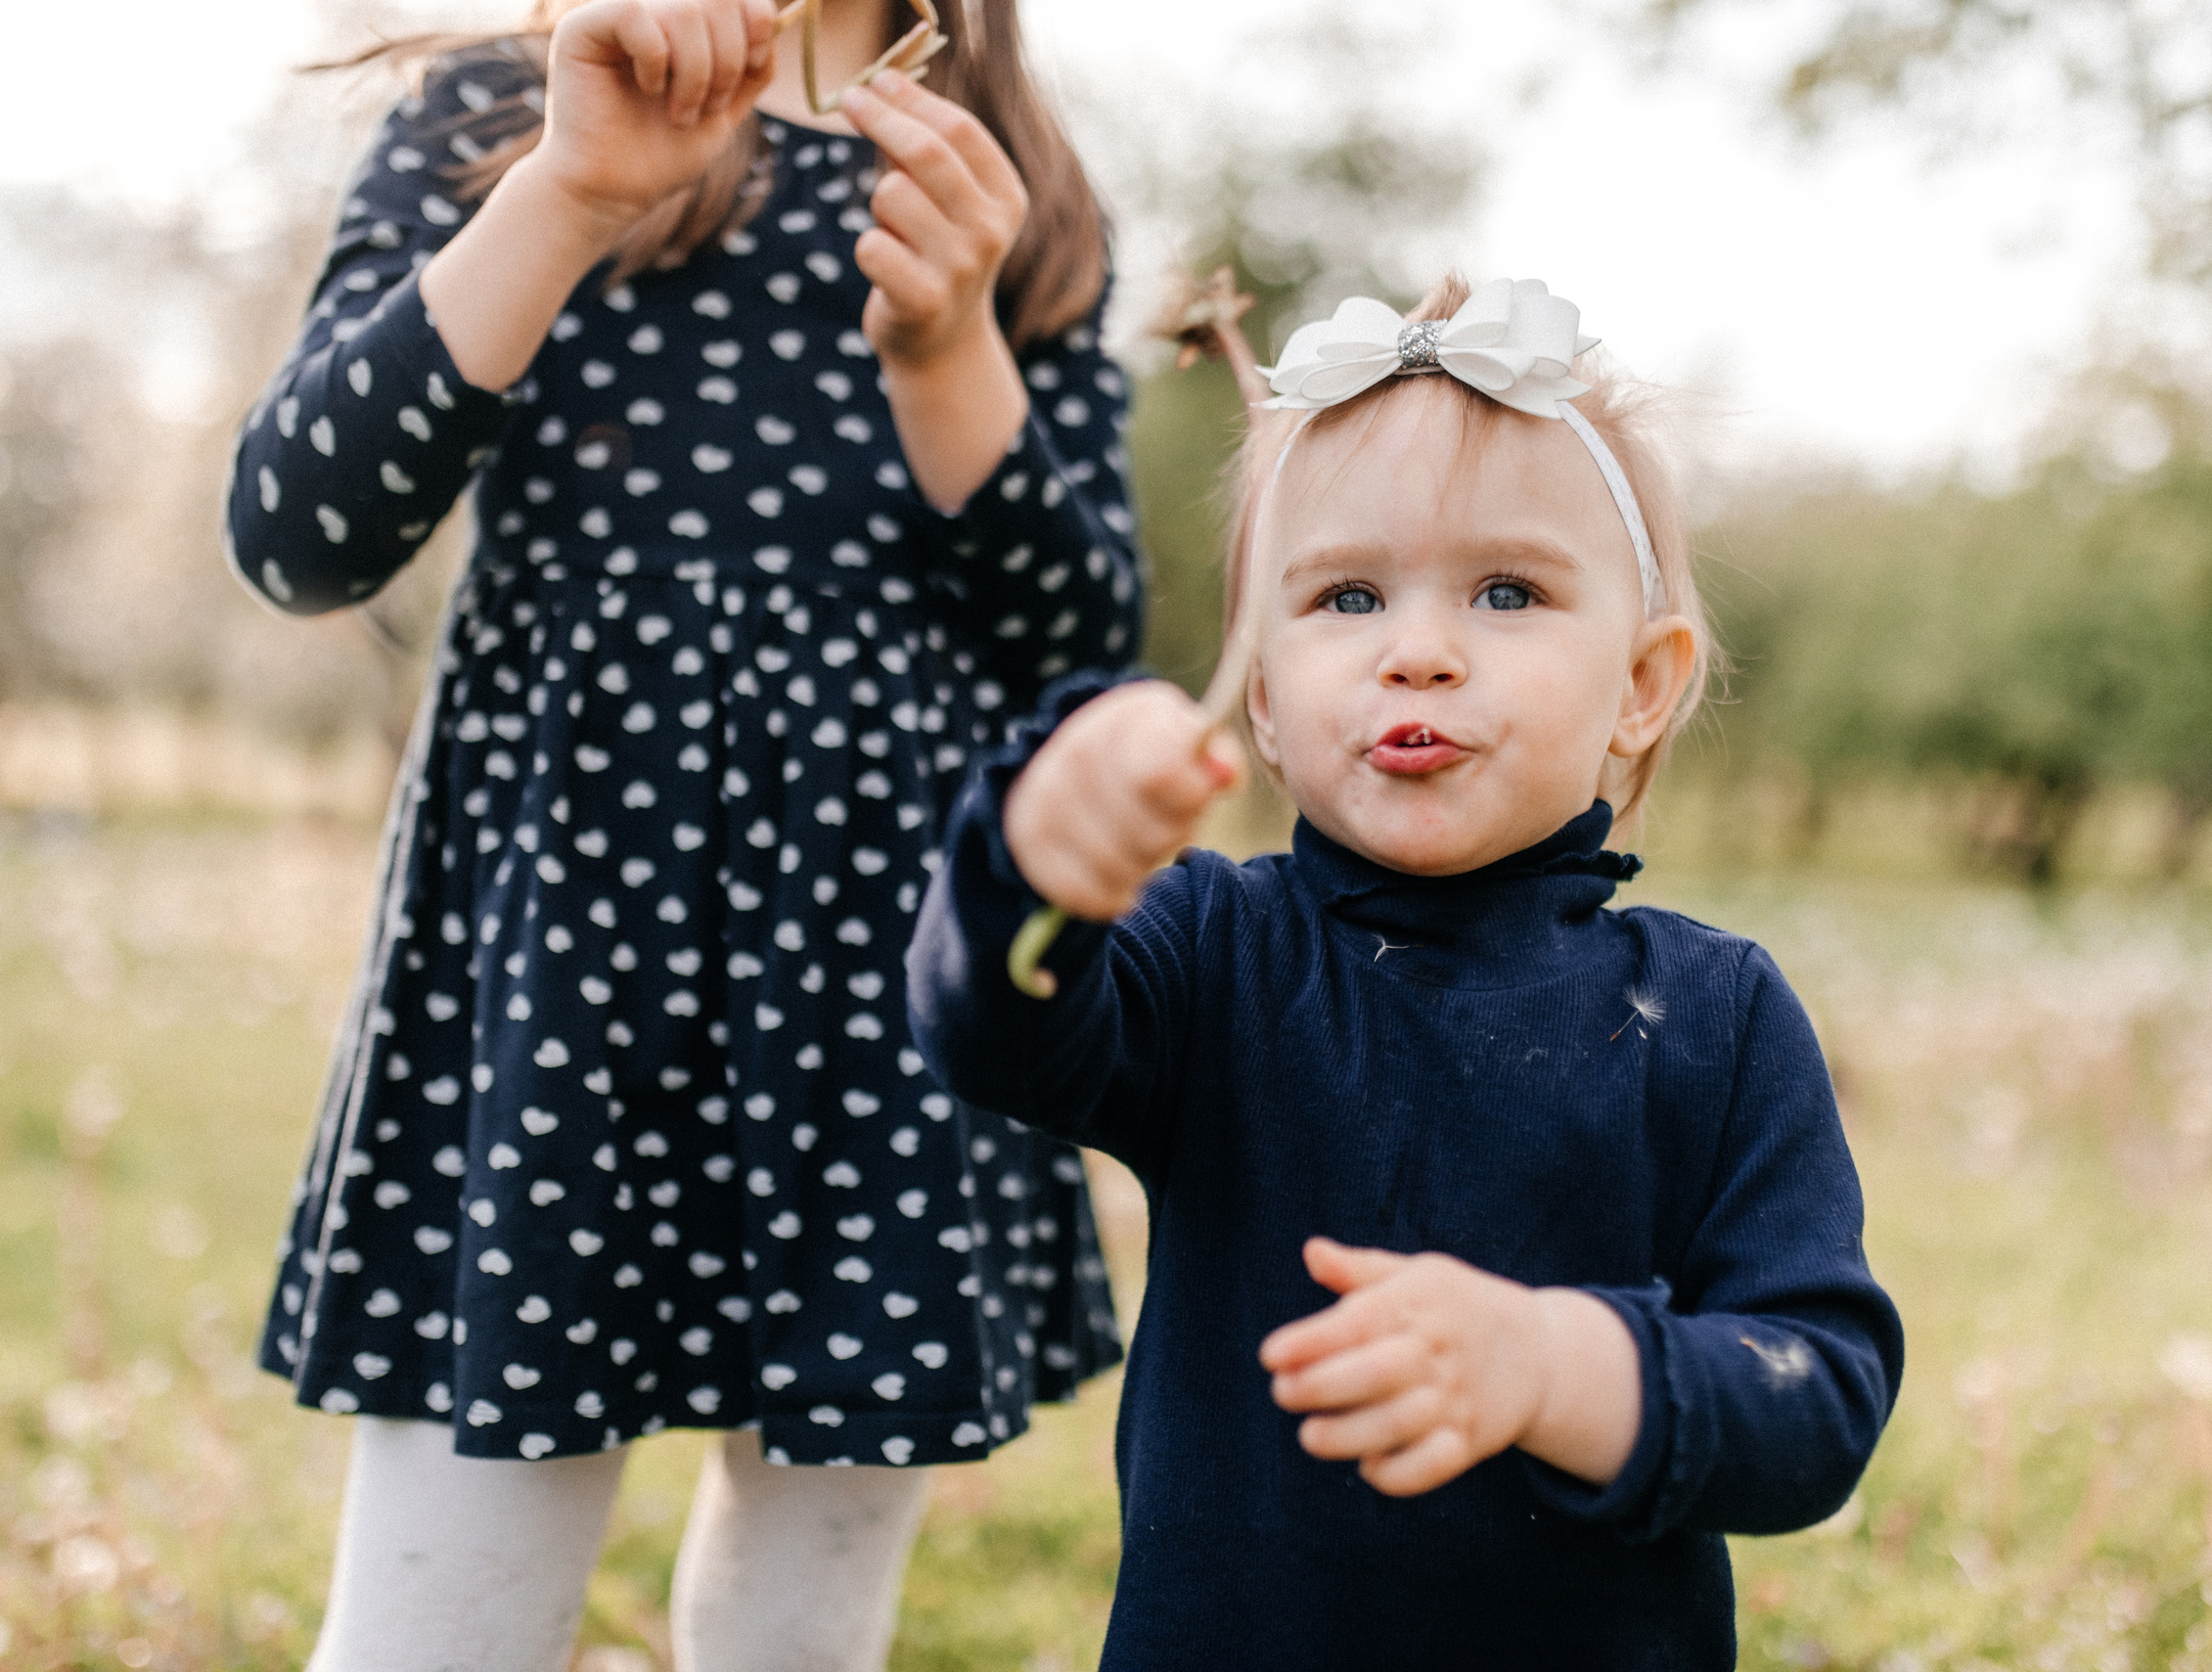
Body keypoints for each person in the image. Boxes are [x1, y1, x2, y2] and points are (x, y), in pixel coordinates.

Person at [222, 1, 1143, 1665]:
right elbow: (302, 534)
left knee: (803, 1629)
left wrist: (949, 347)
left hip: (881, 985)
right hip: (559, 964)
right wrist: (567, 192)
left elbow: (1077, 652)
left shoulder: (1008, 182)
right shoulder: (508, 111)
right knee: (441, 1623)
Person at [908, 275, 1904, 1669]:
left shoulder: (1715, 1017)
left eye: (1507, 591)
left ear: (1641, 683)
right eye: (1348, 595)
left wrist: (1558, 1367)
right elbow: (996, 1032)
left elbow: (1819, 1400)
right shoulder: (1211, 952)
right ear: (1263, 695)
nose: (1418, 653)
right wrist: (1035, 857)